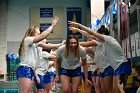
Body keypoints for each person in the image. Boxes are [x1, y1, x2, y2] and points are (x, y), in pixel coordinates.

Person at [68, 21, 131, 93]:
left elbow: (91, 33)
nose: (95, 37)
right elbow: (89, 35)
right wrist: (78, 30)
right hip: (116, 68)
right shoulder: (102, 43)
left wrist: (78, 25)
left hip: (122, 66)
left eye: (98, 36)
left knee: (117, 91)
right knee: (109, 90)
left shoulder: (109, 39)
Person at [16, 16, 59, 93]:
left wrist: (61, 45)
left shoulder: (34, 44)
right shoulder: (28, 39)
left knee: (28, 91)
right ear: (32, 33)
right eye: (37, 33)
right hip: (25, 68)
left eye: (39, 33)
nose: (39, 35)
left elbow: (48, 46)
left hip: (30, 69)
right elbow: (43, 36)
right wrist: (52, 25)